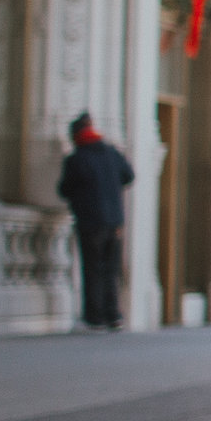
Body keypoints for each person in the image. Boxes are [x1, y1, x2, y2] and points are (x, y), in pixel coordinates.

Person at [56, 113, 135, 331]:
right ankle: (114, 315)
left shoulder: (77, 159)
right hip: (114, 221)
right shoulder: (112, 153)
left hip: (91, 221)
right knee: (111, 269)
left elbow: (64, 189)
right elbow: (129, 176)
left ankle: (95, 316)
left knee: (93, 268)